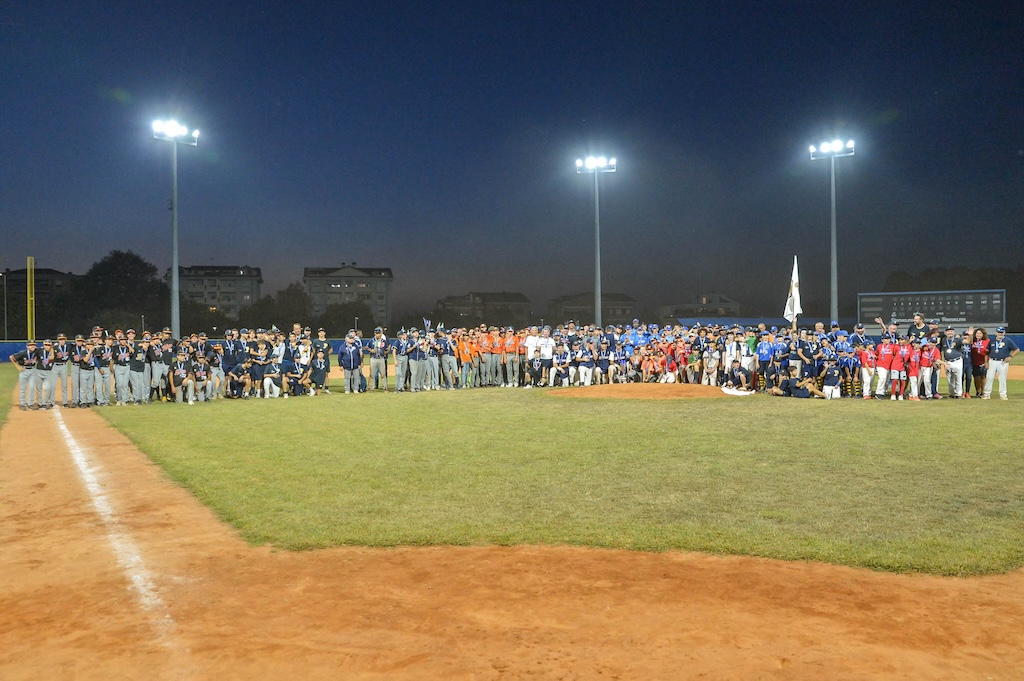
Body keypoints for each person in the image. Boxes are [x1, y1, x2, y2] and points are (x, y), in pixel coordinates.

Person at [983, 327, 1018, 400]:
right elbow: (987, 352)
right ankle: (987, 394)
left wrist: (1010, 357)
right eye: (999, 332)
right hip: (992, 361)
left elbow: (1017, 349)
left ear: (1004, 333)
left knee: (1002, 378)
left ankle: (1003, 394)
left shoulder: (1008, 341)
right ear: (996, 333)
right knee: (989, 377)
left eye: (1001, 332)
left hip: (1003, 362)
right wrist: (986, 362)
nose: (1000, 334)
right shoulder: (992, 341)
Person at [10, 340, 40, 411]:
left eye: (33, 345)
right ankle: (23, 404)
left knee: (32, 387)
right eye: (30, 345)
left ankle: (30, 404)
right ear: (27, 346)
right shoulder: (22, 353)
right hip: (24, 370)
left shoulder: (37, 352)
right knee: (23, 388)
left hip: (32, 370)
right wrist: (17, 366)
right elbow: (11, 357)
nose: (32, 346)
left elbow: (45, 348)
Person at [940, 326, 968, 398]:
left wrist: (970, 335)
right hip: (948, 362)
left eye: (951, 331)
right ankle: (952, 393)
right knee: (950, 379)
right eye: (948, 331)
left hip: (957, 360)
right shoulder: (943, 340)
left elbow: (967, 342)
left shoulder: (957, 339)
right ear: (946, 333)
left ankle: (958, 394)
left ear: (954, 332)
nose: (950, 332)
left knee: (958, 378)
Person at [969, 328, 990, 398]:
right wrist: (970, 335)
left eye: (980, 333)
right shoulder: (973, 341)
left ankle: (983, 392)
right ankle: (978, 392)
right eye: (977, 333)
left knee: (983, 377)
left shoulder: (987, 341)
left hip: (984, 361)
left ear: (983, 334)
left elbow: (989, 351)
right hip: (975, 361)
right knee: (976, 377)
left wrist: (987, 361)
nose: (978, 335)